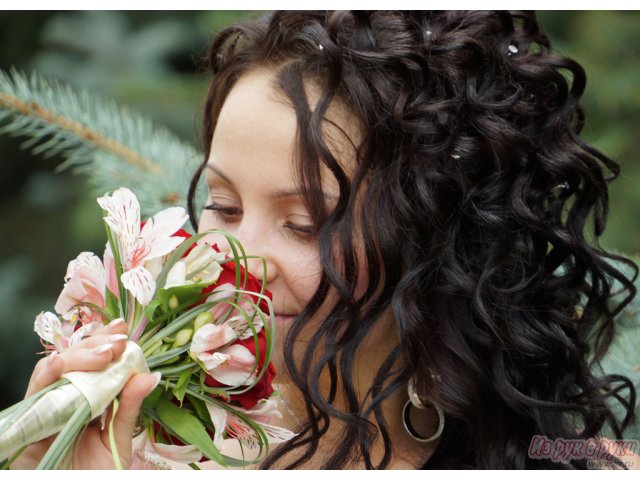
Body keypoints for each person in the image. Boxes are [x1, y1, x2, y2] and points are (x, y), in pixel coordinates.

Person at [12, 11, 639, 469]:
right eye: (223, 206)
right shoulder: (150, 449)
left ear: (438, 238)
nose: (243, 260)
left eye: (306, 222)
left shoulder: (568, 459)